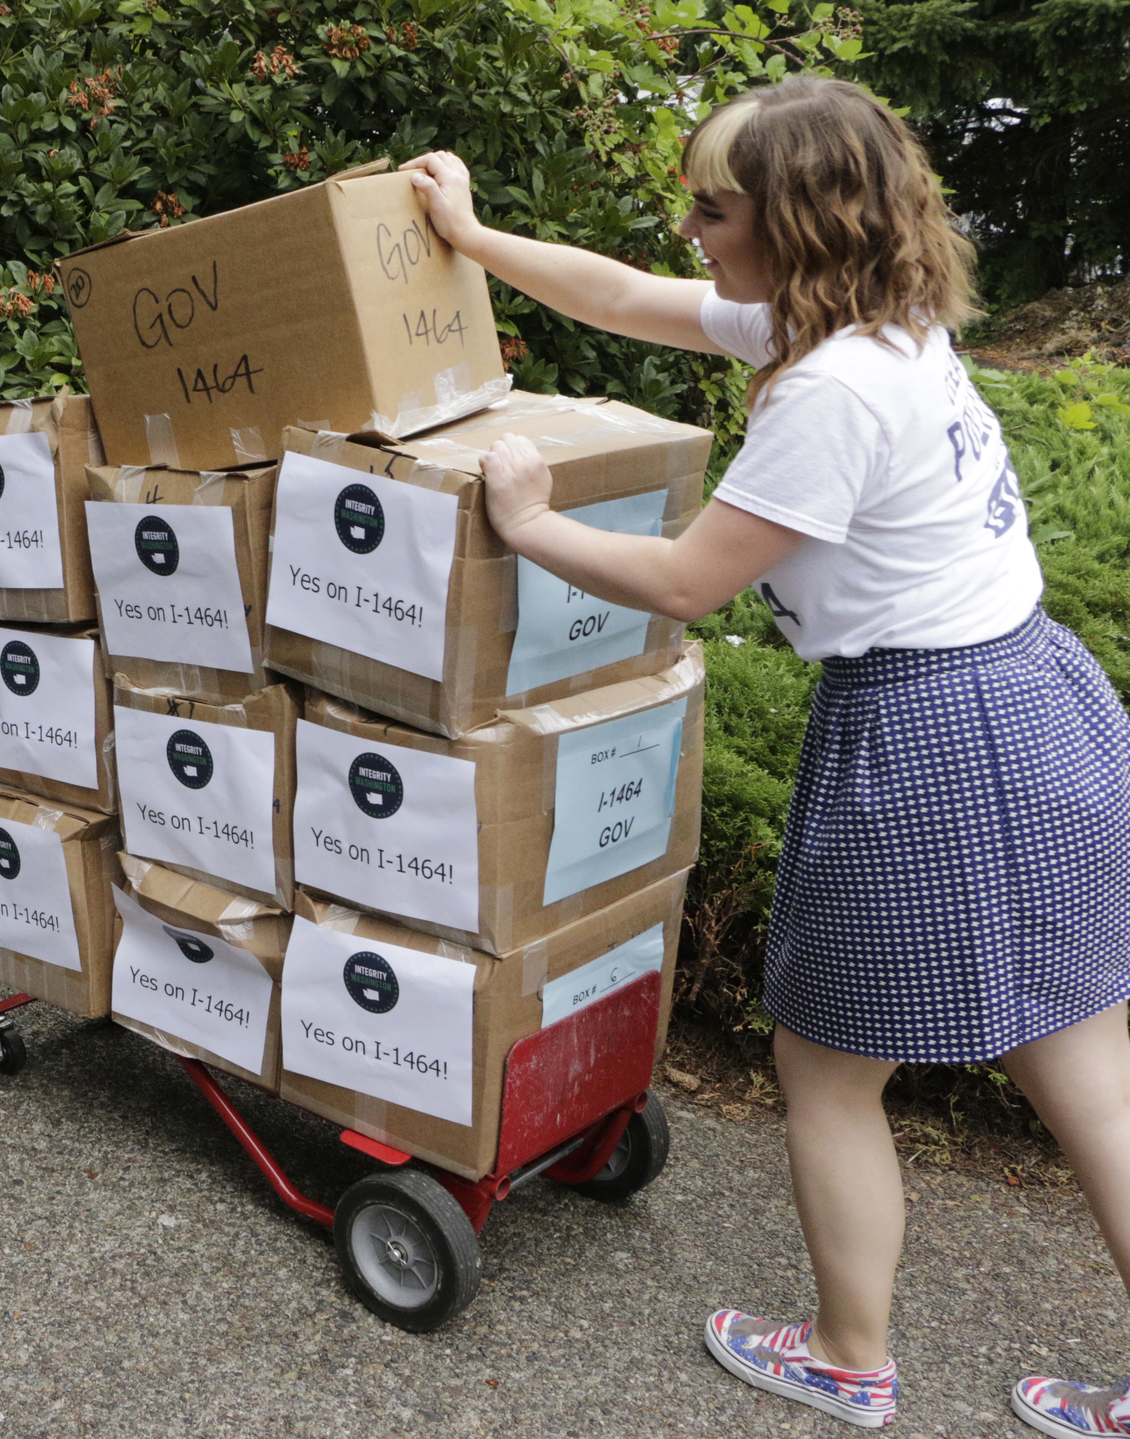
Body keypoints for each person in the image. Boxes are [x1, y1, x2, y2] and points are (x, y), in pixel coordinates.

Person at [404, 76, 1130, 1434]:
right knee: (1085, 1060)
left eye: (713, 209)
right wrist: (476, 233)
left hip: (932, 733)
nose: (690, 231)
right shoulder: (878, 320)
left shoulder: (832, 393)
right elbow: (624, 297)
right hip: (1035, 697)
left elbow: (685, 580)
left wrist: (526, 513)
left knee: (825, 1069)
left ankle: (848, 1354)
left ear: (796, 221)